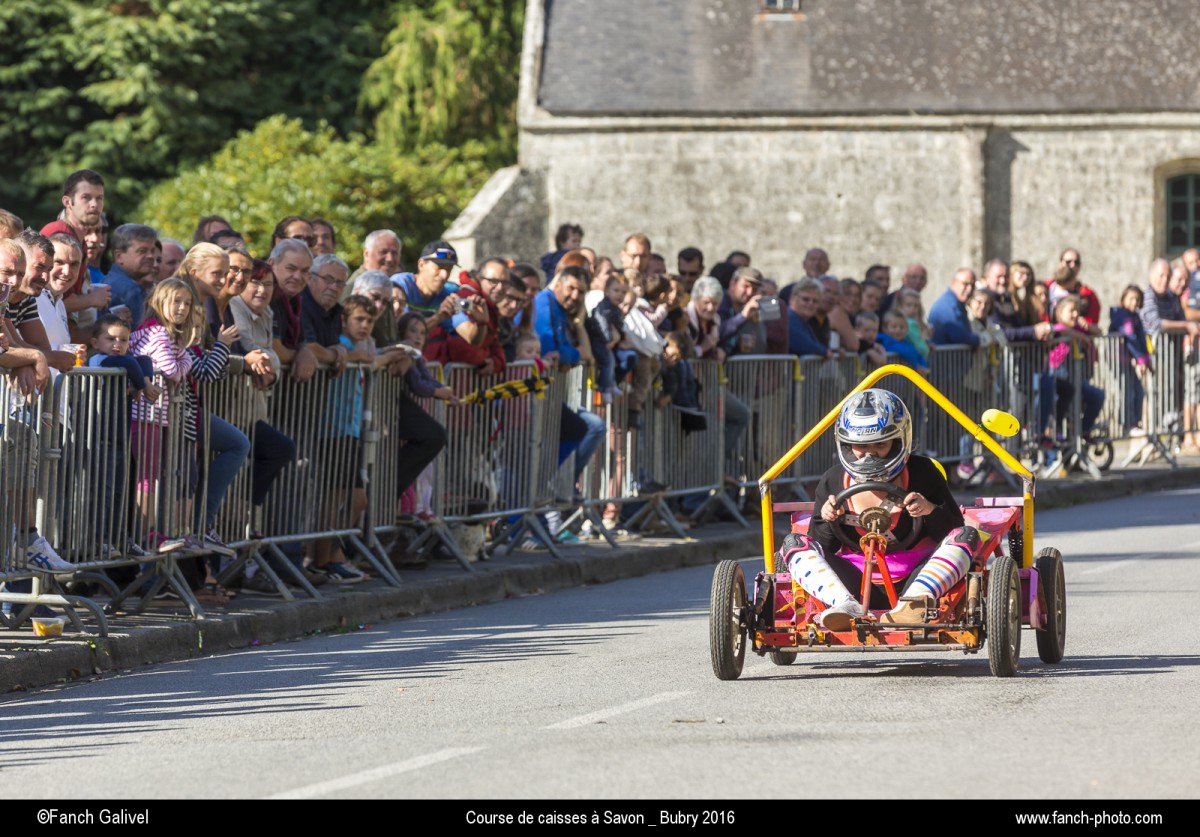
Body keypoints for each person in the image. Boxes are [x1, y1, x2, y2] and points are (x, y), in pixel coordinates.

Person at [778, 389, 976, 630]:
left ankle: (913, 606)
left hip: (916, 575)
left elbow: (953, 529)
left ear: (899, 441)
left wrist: (929, 510)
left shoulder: (923, 473)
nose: (869, 453)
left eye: (880, 444)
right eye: (860, 446)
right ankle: (844, 606)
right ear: (848, 445)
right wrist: (829, 519)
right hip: (854, 580)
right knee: (794, 543)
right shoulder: (832, 480)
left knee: (967, 537)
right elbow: (823, 548)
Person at [1109, 285, 1151, 435]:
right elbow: (1130, 337)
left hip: (1128, 359)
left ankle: (1135, 421)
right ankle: (1127, 423)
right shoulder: (1122, 315)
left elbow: (1141, 338)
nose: (1134, 302)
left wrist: (1146, 359)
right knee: (1127, 390)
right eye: (1131, 298)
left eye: (1137, 299)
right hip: (1117, 359)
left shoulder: (1135, 317)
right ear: (1123, 299)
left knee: (1138, 390)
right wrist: (1140, 359)